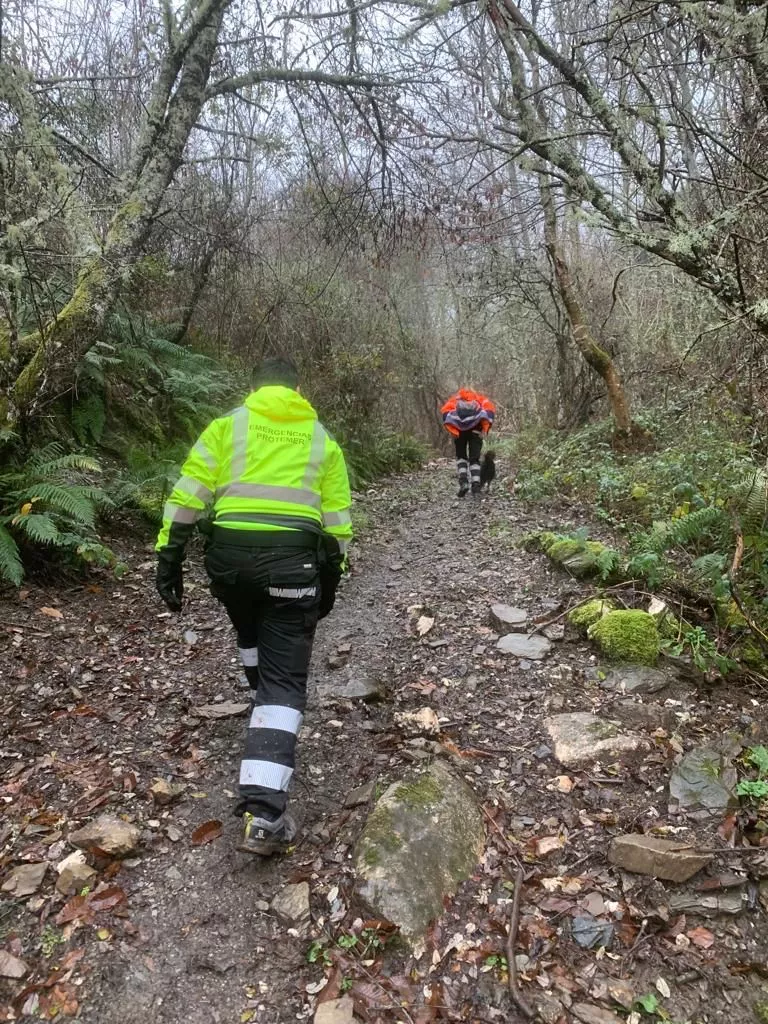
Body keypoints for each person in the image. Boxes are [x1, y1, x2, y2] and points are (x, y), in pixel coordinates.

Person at [155, 356, 352, 855]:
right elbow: (337, 526)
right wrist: (328, 584)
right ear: (297, 389)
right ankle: (265, 812)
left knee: (248, 627)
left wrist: (169, 557)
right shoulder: (321, 440)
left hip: (229, 563)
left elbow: (189, 493)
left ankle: (259, 700)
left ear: (255, 387)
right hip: (292, 565)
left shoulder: (227, 428)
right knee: (285, 681)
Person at [440, 388, 496, 496]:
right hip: (476, 431)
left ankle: (463, 482)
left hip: (460, 432)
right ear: (473, 392)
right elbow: (490, 412)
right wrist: (485, 430)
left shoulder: (454, 400)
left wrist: (453, 431)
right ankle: (475, 485)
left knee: (461, 457)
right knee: (474, 459)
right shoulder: (480, 399)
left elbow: (445, 413)